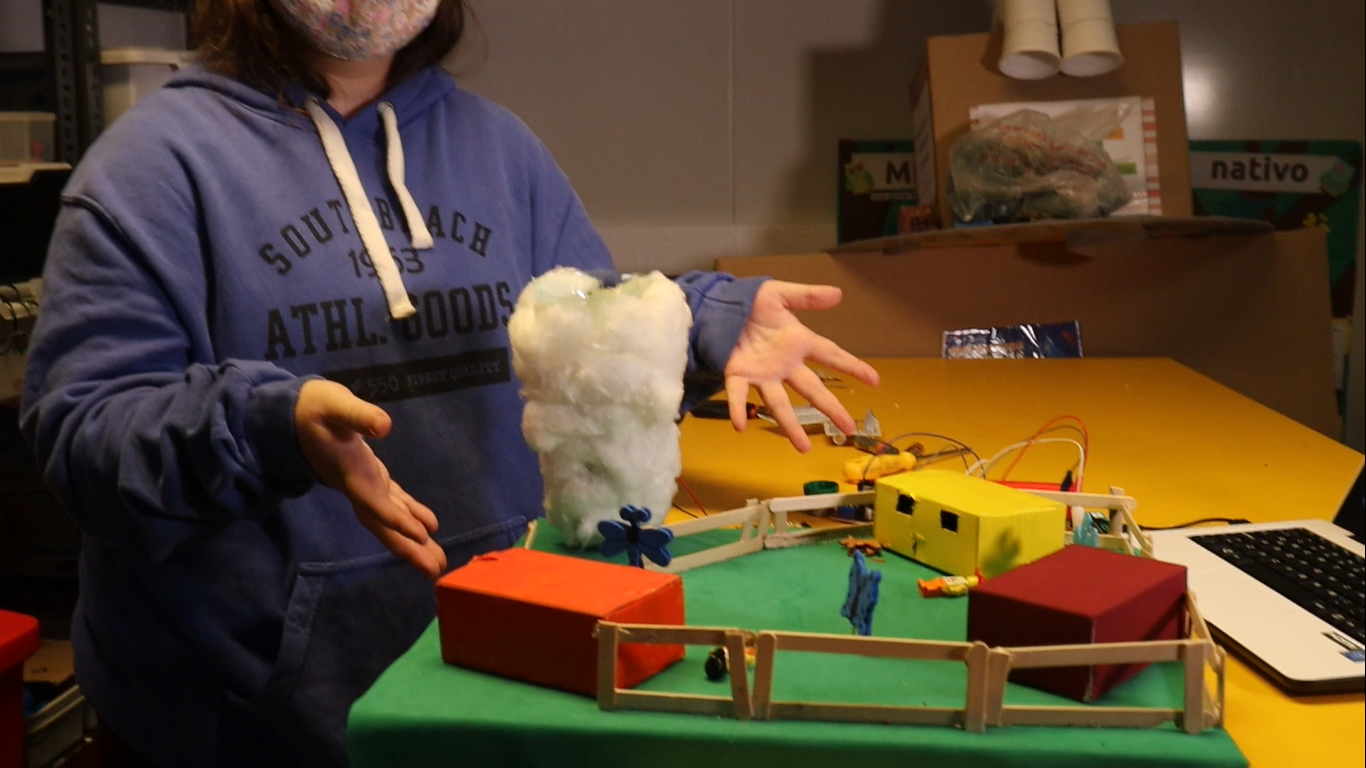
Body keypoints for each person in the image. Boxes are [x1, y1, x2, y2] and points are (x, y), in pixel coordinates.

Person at [19, 1, 879, 765]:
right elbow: (84, 438)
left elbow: (585, 335)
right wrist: (269, 427)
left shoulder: (499, 148)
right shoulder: (148, 168)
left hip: (497, 675)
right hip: (250, 722)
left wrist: (708, 320)